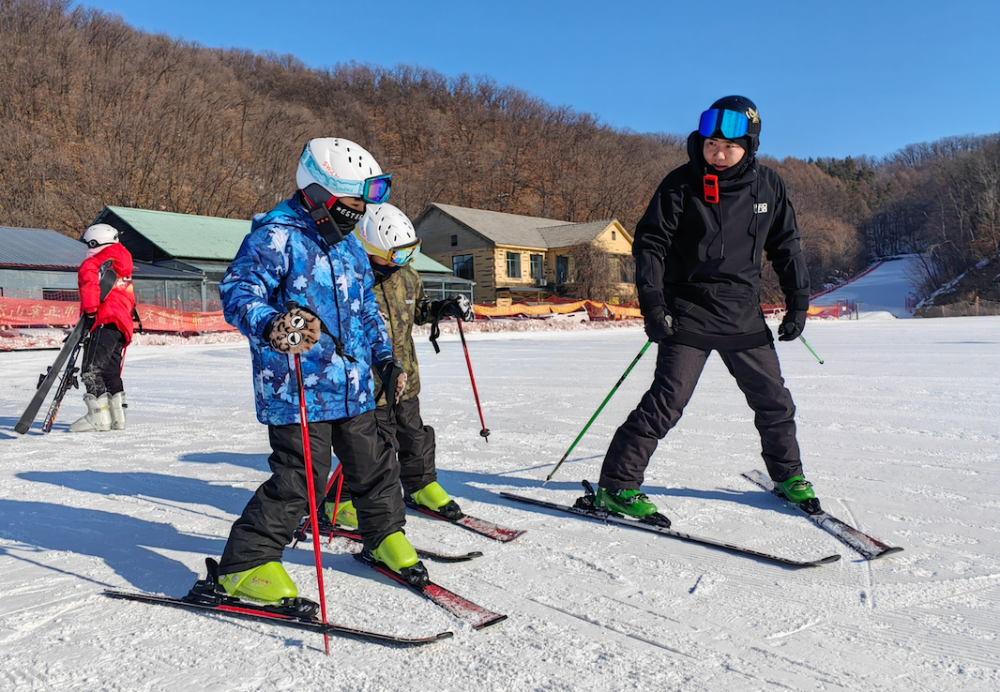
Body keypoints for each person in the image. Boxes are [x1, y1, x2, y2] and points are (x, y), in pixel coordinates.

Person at [209, 138, 427, 606]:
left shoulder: (348, 246)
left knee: (374, 466)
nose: (361, 211)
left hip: (354, 386)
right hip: (296, 385)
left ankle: (384, 536)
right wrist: (271, 323)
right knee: (300, 479)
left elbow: (367, 308)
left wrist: (384, 359)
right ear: (321, 193)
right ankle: (244, 565)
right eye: (354, 202)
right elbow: (237, 292)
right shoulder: (276, 235)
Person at [592, 96, 818, 523]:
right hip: (688, 312)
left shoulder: (768, 186)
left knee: (774, 401)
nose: (717, 153)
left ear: (749, 147)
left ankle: (788, 477)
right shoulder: (680, 184)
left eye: (728, 147)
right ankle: (618, 487)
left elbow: (786, 247)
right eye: (710, 143)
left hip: (743, 314)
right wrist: (654, 307)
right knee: (666, 402)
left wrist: (798, 304)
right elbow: (650, 245)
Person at [322, 203, 475, 530]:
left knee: (414, 434)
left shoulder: (407, 276)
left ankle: (420, 485)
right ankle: (341, 499)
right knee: (371, 448)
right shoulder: (348, 280)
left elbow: (416, 310)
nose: (403, 262)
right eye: (396, 256)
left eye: (409, 254)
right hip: (366, 385)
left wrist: (441, 308)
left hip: (405, 376)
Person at [69, 223, 136, 433]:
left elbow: (89, 283)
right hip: (122, 324)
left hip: (104, 319)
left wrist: (90, 312)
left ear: (94, 242)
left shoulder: (95, 262)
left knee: (91, 370)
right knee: (109, 371)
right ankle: (118, 417)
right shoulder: (123, 262)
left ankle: (98, 418)